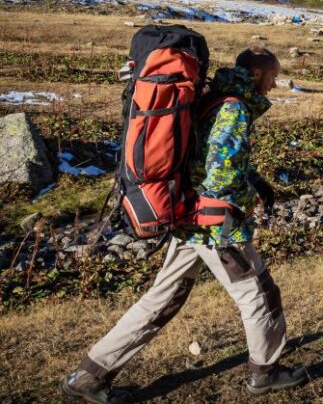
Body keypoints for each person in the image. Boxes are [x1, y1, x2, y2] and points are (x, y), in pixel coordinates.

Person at [62, 48, 307, 403]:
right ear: (256, 74)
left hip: (189, 219)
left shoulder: (213, 99)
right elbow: (221, 171)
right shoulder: (234, 108)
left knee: (162, 299)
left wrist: (255, 179)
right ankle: (265, 374)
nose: (274, 84)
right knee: (259, 295)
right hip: (215, 226)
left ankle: (89, 375)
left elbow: (207, 153)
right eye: (273, 76)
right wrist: (244, 198)